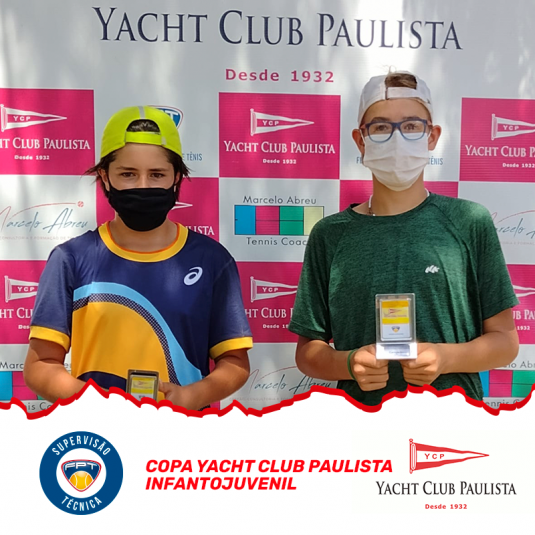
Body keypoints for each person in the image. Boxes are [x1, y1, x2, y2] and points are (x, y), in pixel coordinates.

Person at [288, 71, 519, 406]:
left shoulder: (469, 221)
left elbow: (505, 343)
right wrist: (348, 363)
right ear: (360, 140)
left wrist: (445, 358)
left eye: (411, 126)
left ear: (432, 136)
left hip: (454, 423)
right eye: (381, 127)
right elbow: (308, 353)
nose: (397, 138)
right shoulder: (330, 235)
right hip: (361, 425)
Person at [24, 106, 252, 409]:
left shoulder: (212, 260)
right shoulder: (70, 259)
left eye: (157, 174)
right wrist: (97, 406)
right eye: (128, 174)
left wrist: (191, 397)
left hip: (184, 434)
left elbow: (235, 362)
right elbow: (40, 365)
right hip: (99, 433)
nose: (143, 185)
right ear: (105, 177)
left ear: (177, 178)